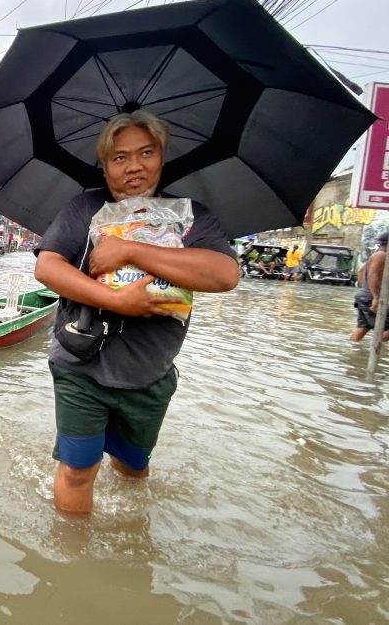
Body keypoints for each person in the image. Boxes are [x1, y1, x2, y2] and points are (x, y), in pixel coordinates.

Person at [33, 110, 240, 515]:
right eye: (120, 157)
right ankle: (74, 551)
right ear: (105, 166)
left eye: (146, 152)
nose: (134, 166)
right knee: (77, 471)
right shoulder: (85, 208)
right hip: (81, 364)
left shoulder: (190, 216)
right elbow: (47, 267)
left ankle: (131, 531)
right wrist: (116, 301)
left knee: (133, 467)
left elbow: (224, 274)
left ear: (162, 156)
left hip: (150, 373)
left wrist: (130, 249)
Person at [351, 231, 389, 343]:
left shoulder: (377, 254)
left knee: (363, 327)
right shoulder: (382, 255)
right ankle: (377, 346)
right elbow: (373, 274)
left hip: (364, 296)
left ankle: (353, 348)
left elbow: (361, 271)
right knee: (383, 331)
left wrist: (365, 290)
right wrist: (376, 297)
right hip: (371, 298)